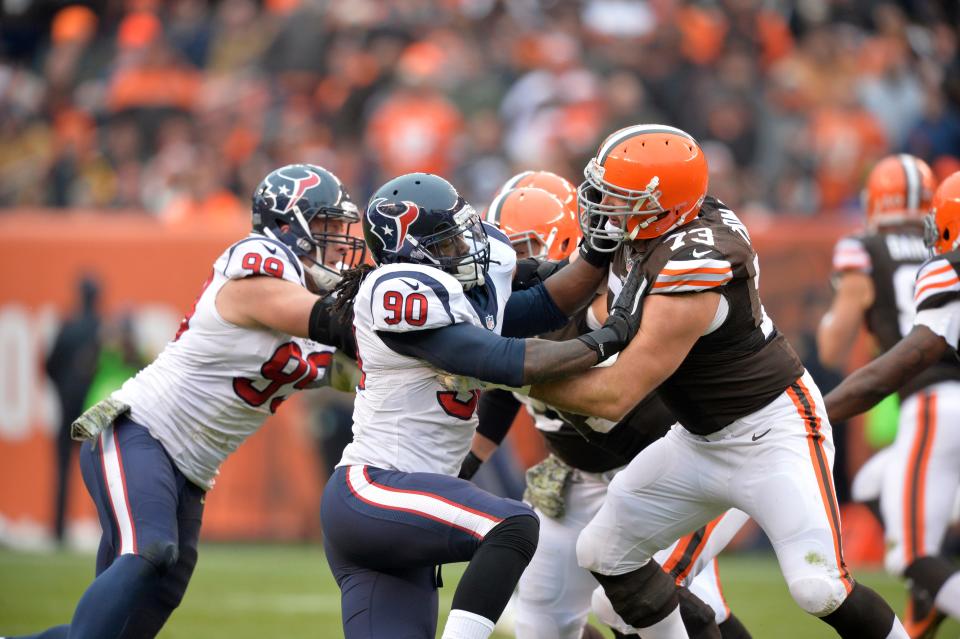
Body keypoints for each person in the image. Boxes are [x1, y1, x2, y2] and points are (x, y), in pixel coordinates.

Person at [523, 124, 907, 639]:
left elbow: (615, 394)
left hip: (771, 430)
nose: (604, 207)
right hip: (697, 439)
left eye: (621, 198)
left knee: (820, 587)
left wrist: (511, 375)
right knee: (604, 555)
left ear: (661, 207)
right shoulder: (655, 226)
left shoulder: (695, 265)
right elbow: (564, 295)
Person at [10, 164, 365, 639]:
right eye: (325, 228)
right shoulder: (259, 263)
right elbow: (334, 324)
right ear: (285, 226)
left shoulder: (304, 306)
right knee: (150, 551)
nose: (339, 243)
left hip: (191, 471)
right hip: (141, 433)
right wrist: (393, 310)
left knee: (132, 618)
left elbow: (363, 368)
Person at [319, 172, 642, 639]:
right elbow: (506, 359)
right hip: (373, 489)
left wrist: (597, 250)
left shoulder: (460, 295)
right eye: (447, 243)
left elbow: (549, 303)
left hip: (396, 515)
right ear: (412, 252)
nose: (466, 247)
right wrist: (610, 336)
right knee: (512, 525)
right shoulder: (398, 292)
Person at [469, 178, 752, 639]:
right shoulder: (505, 312)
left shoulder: (608, 306)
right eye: (500, 250)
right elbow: (501, 396)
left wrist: (506, 365)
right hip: (572, 476)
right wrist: (462, 470)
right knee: (540, 625)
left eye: (523, 246)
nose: (509, 264)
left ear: (566, 240)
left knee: (662, 605)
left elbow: (552, 376)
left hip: (657, 469)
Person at [817, 155, 960, 637]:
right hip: (937, 404)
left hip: (933, 400)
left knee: (911, 554)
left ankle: (931, 579)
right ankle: (930, 588)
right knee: (876, 480)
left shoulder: (864, 247)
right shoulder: (937, 249)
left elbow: (834, 346)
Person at [45, 275, 102, 546]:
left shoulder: (67, 326)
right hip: (94, 409)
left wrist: (63, 391)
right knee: (103, 473)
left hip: (67, 406)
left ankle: (58, 530)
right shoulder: (102, 328)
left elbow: (48, 365)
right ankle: (106, 529)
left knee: (63, 471)